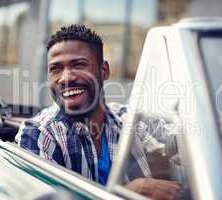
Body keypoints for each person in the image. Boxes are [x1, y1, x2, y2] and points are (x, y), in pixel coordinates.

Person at [15, 24, 180, 200]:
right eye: (55, 69)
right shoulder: (39, 134)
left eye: (78, 65)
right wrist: (125, 194)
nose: (65, 78)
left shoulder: (128, 118)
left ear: (104, 71)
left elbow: (178, 141)